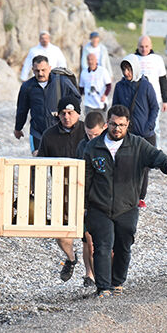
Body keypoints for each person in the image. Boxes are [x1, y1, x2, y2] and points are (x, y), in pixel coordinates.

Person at [80, 105, 167, 297]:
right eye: (113, 124)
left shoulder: (138, 145)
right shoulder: (93, 147)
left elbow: (156, 156)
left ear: (128, 125)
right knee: (102, 246)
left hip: (127, 207)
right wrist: (84, 207)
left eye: (121, 125)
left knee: (123, 246)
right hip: (99, 207)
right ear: (107, 123)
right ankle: (103, 287)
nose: (117, 128)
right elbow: (85, 179)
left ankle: (117, 283)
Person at [37, 96, 88, 282]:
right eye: (63, 113)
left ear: (78, 114)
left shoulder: (87, 131)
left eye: (70, 113)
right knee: (60, 233)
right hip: (61, 191)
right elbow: (40, 164)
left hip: (87, 190)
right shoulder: (49, 135)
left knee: (89, 236)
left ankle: (90, 275)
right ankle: (71, 258)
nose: (67, 117)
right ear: (57, 115)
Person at [110, 54, 162, 206]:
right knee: (124, 164)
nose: (126, 73)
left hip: (145, 134)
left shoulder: (146, 85)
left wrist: (149, 126)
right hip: (126, 134)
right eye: (124, 69)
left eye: (129, 69)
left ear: (135, 68)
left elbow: (155, 107)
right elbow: (114, 108)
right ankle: (126, 195)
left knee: (143, 167)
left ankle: (140, 197)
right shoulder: (119, 86)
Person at [15, 55, 79, 153]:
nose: (40, 73)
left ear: (49, 68)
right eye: (37, 71)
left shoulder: (62, 82)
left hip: (58, 131)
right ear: (32, 70)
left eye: (43, 70)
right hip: (37, 132)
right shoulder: (27, 87)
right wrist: (18, 128)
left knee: (58, 160)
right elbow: (22, 110)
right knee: (37, 159)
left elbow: (76, 99)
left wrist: (66, 111)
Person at [74, 110, 107, 287]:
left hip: (105, 198)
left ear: (104, 128)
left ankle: (106, 277)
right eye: (89, 134)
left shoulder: (110, 144)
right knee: (88, 240)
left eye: (95, 134)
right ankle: (91, 276)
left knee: (105, 242)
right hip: (86, 199)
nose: (92, 138)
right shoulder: (82, 146)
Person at [135, 35, 167, 114]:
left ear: (151, 46)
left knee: (154, 121)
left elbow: (163, 80)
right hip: (137, 100)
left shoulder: (157, 59)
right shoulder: (132, 59)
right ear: (138, 46)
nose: (144, 49)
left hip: (155, 98)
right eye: (141, 47)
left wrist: (165, 100)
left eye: (146, 46)